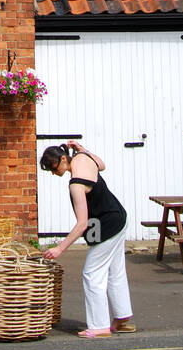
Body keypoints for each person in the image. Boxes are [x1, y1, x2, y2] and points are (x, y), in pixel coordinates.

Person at [40, 141, 135, 338]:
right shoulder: (83, 157)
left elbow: (82, 224)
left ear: (63, 159)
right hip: (119, 217)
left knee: (92, 274)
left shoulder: (76, 184)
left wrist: (60, 248)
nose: (53, 172)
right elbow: (102, 165)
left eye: (53, 167)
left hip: (107, 225)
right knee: (115, 271)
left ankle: (99, 326)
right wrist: (83, 149)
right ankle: (122, 319)